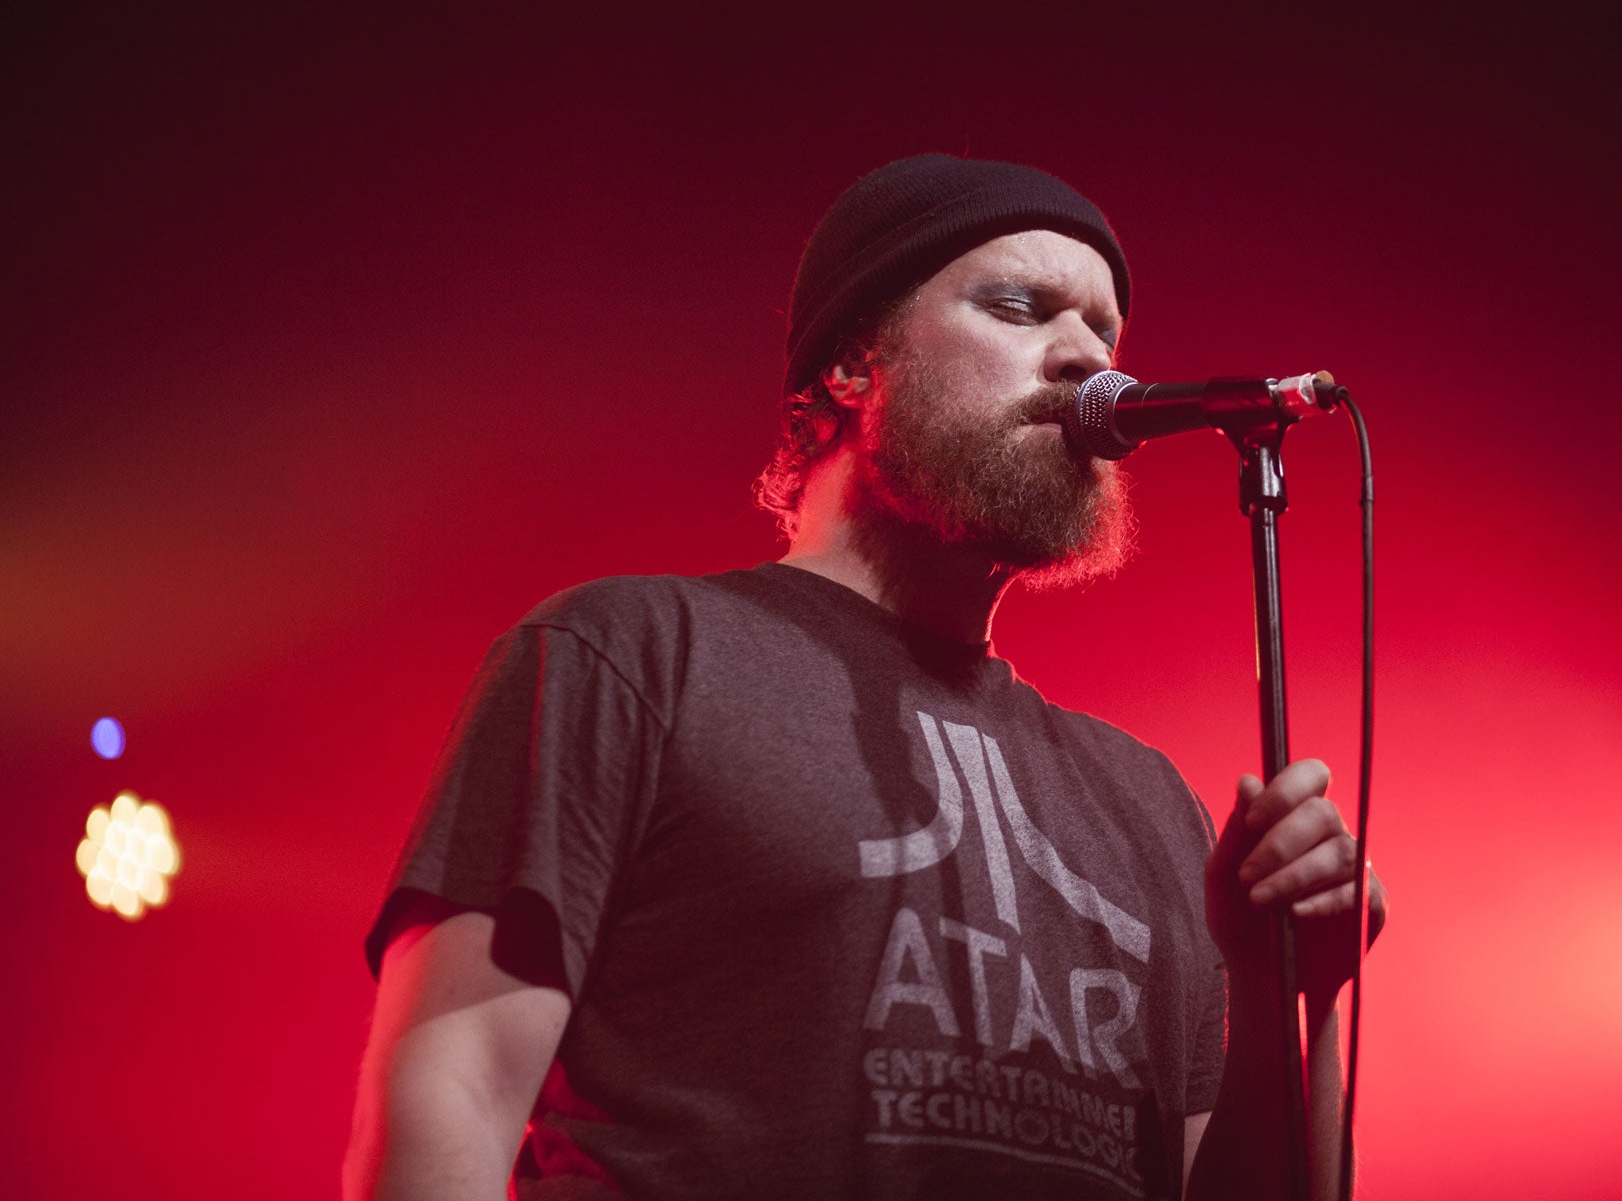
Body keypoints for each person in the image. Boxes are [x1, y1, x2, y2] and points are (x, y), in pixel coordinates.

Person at [342, 155, 1381, 1200]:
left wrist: (1296, 988)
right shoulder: (632, 653)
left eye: (1102, 334)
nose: (1084, 361)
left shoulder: (1152, 804)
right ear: (851, 362)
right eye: (1020, 307)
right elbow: (454, 1093)